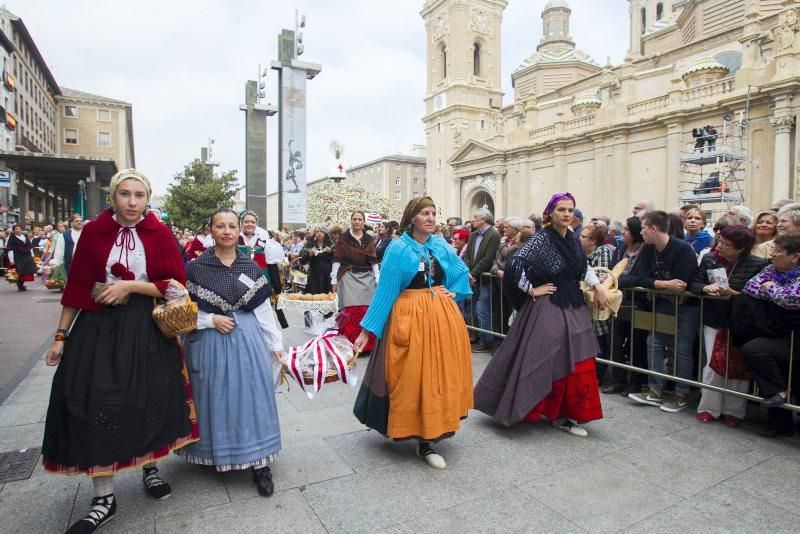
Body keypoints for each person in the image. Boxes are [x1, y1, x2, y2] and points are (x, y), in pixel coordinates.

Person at [41, 169, 198, 533]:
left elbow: (174, 284)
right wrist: (60, 336)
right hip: (99, 328)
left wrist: (130, 287)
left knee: (149, 398)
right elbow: (79, 287)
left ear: (147, 198)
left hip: (146, 328)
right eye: (125, 194)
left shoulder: (159, 233)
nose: (132, 202)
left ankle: (150, 467)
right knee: (96, 403)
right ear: (113, 196)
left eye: (139, 195)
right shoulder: (95, 233)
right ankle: (104, 496)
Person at [352, 196, 473, 470]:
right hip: (409, 319)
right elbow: (386, 291)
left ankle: (430, 436)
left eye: (433, 213)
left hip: (441, 319)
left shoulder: (440, 244)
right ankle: (419, 434)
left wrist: (453, 292)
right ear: (412, 218)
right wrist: (366, 331)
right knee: (413, 378)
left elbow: (460, 272)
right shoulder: (398, 248)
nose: (430, 218)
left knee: (437, 376)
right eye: (424, 213)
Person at [474, 193, 607, 437]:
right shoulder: (542, 240)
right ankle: (543, 410)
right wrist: (532, 289)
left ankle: (566, 414)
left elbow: (584, 267)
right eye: (561, 210)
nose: (567, 214)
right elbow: (515, 265)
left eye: (570, 210)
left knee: (579, 361)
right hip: (549, 306)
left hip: (572, 303)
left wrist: (598, 286)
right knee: (544, 357)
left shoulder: (574, 241)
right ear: (549, 214)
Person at [180, 208, 284, 496]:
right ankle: (217, 453)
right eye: (220, 226)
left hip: (247, 339)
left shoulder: (250, 267)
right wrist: (209, 320)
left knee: (252, 394)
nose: (226, 231)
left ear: (240, 230)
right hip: (209, 340)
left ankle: (259, 463)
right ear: (210, 230)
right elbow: (184, 311)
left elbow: (263, 310)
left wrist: (276, 346)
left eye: (231, 226)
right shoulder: (196, 268)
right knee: (214, 395)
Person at [689, 225, 766, 426]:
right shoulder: (709, 259)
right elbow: (694, 283)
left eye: (726, 244)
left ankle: (734, 412)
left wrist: (733, 293)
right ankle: (708, 408)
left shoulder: (757, 264)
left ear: (741, 248)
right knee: (713, 365)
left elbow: (758, 294)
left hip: (741, 322)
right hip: (714, 319)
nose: (720, 246)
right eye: (720, 241)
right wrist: (706, 287)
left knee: (738, 368)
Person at [626, 210, 699, 413]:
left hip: (687, 306)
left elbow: (682, 283)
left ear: (653, 228)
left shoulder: (683, 249)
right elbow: (640, 277)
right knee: (654, 341)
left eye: (643, 228)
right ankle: (655, 390)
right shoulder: (649, 249)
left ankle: (681, 394)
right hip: (666, 302)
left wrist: (657, 286)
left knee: (682, 348)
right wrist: (662, 284)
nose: (641, 233)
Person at [737, 234, 800, 437]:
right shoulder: (771, 269)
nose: (771, 254)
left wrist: (771, 287)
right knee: (756, 352)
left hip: (795, 336)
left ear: (795, 257)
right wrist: (776, 292)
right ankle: (779, 414)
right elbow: (750, 287)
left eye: (777, 251)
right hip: (776, 331)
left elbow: (791, 299)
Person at [603, 216, 648, 395]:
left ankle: (636, 382)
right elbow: (612, 271)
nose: (623, 232)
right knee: (614, 340)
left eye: (627, 229)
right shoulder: (621, 249)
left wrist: (618, 281)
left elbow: (640, 278)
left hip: (638, 303)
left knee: (637, 343)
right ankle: (618, 379)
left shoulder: (646, 251)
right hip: (618, 302)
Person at [332, 211, 380, 352]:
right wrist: (333, 279)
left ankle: (368, 345)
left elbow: (373, 260)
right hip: (348, 276)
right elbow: (337, 260)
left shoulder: (368, 239)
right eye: (355, 219)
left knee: (367, 309)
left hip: (367, 277)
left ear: (363, 222)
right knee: (350, 309)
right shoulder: (344, 239)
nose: (357, 222)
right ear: (351, 221)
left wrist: (377, 277)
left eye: (360, 219)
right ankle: (348, 344)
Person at [238, 211, 288, 328]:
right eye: (247, 222)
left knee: (264, 316)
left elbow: (271, 265)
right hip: (240, 282)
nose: (250, 224)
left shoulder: (264, 242)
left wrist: (276, 288)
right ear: (241, 223)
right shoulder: (235, 240)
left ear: (256, 224)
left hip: (262, 281)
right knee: (243, 315)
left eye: (253, 222)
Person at [464, 208, 501, 351]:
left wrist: (472, 274)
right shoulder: (473, 235)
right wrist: (468, 273)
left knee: (482, 310)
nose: (473, 220)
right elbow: (467, 255)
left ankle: (488, 341)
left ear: (483, 220)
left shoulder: (493, 234)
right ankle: (479, 337)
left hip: (486, 281)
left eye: (475, 218)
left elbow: (488, 259)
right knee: (474, 309)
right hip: (473, 279)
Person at [580, 224, 614, 382]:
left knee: (599, 334)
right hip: (584, 300)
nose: (580, 239)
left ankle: (599, 373)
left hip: (598, 301)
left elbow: (600, 274)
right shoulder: (581, 253)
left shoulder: (603, 252)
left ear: (593, 241)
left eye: (583, 237)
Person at [299, 227, 334, 294]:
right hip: (314, 275)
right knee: (313, 296)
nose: (319, 233)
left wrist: (332, 252)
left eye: (321, 232)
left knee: (326, 297)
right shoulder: (309, 244)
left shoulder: (330, 244)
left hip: (327, 275)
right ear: (314, 233)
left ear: (325, 233)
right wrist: (309, 254)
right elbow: (301, 260)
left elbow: (338, 258)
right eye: (317, 232)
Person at [52, 213, 84, 278]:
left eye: (81, 221)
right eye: (77, 221)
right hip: (70, 264)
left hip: (85, 264)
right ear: (71, 223)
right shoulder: (64, 235)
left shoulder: (88, 233)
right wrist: (56, 263)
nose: (79, 222)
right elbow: (59, 250)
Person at [7, 223, 35, 291]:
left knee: (26, 270)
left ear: (21, 230)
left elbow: (29, 246)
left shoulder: (24, 237)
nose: (18, 230)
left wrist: (32, 255)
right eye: (16, 229)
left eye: (19, 229)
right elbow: (10, 249)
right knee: (20, 270)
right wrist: (11, 259)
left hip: (26, 255)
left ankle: (22, 284)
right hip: (18, 256)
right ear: (14, 230)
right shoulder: (12, 238)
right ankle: (20, 285)